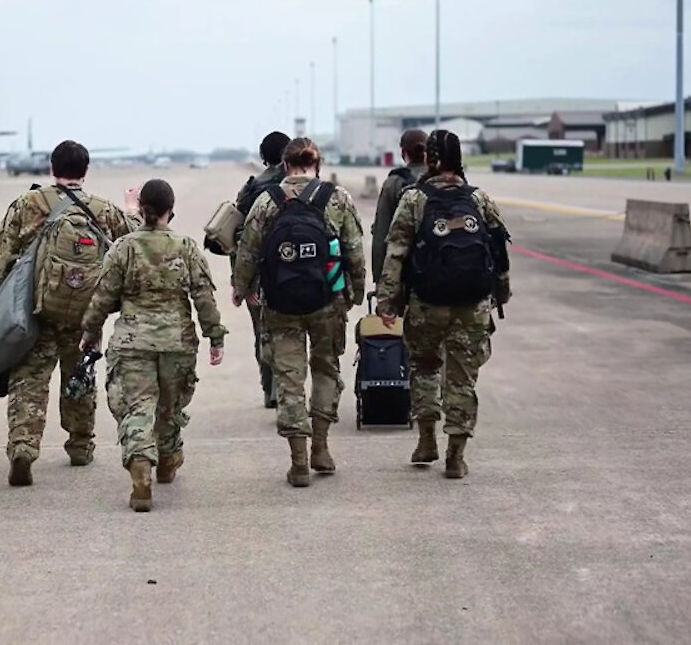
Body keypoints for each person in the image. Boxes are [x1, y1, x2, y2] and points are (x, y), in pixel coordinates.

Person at [0, 140, 141, 487]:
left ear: (52, 168)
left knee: (29, 381)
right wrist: (133, 209)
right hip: (84, 314)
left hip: (36, 312)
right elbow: (133, 238)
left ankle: (23, 446)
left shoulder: (28, 204)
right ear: (85, 171)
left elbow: (3, 253)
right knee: (78, 377)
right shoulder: (101, 209)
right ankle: (80, 445)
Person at [81, 179, 226, 512]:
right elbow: (203, 297)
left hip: (133, 343)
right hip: (176, 343)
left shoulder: (122, 247)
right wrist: (214, 336)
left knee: (137, 409)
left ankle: (141, 473)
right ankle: (169, 457)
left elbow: (102, 298)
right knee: (170, 408)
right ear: (170, 211)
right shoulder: (186, 247)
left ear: (142, 209)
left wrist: (89, 332)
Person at [374, 129, 512, 479]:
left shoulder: (413, 199)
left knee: (425, 368)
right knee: (462, 378)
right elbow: (498, 250)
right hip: (473, 303)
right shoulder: (478, 198)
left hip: (427, 303)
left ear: (430, 159)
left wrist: (387, 301)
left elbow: (396, 253)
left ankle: (426, 440)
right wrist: (501, 293)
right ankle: (456, 455)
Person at [232, 137, 365, 487]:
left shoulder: (267, 200)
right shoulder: (337, 198)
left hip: (280, 304)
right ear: (316, 165)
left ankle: (299, 461)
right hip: (327, 300)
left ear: (285, 165)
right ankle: (321, 446)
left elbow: (248, 250)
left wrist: (241, 288)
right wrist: (355, 292)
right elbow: (354, 251)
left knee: (289, 378)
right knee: (326, 369)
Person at [219, 131, 291, 411]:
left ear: (262, 157)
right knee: (293, 332)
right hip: (297, 272)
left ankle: (270, 388)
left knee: (262, 331)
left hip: (259, 275)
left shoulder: (250, 190)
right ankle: (288, 388)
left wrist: (240, 283)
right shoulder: (305, 187)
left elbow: (235, 238)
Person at [370, 129, 429, 285]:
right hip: (443, 269)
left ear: (403, 153)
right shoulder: (444, 178)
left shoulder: (394, 182)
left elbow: (381, 233)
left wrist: (380, 280)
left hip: (406, 273)